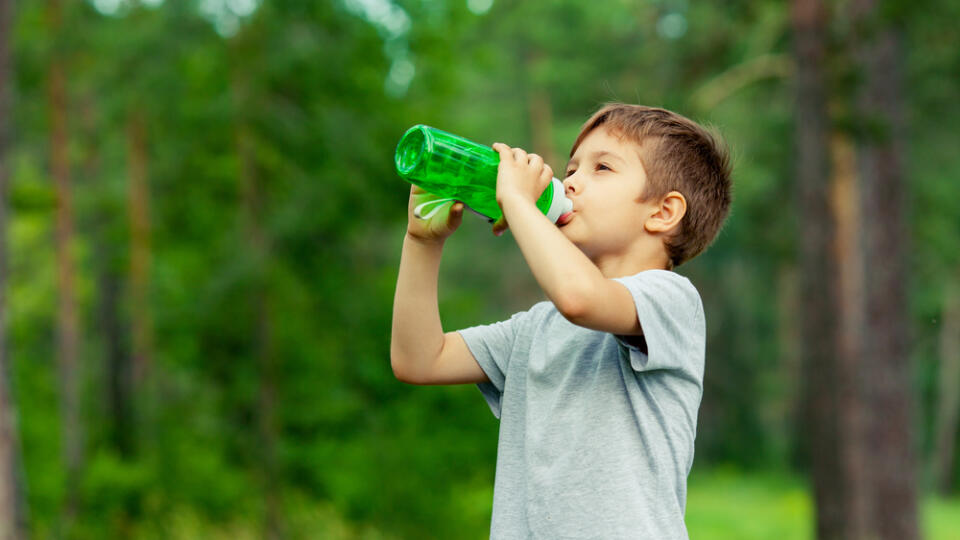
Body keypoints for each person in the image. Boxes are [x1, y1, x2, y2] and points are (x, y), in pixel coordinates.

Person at [391, 103, 732, 539]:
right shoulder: (535, 329)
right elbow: (419, 360)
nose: (570, 181)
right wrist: (422, 241)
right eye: (572, 168)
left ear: (663, 213)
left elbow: (579, 298)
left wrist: (516, 199)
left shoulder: (671, 300)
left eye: (602, 168)